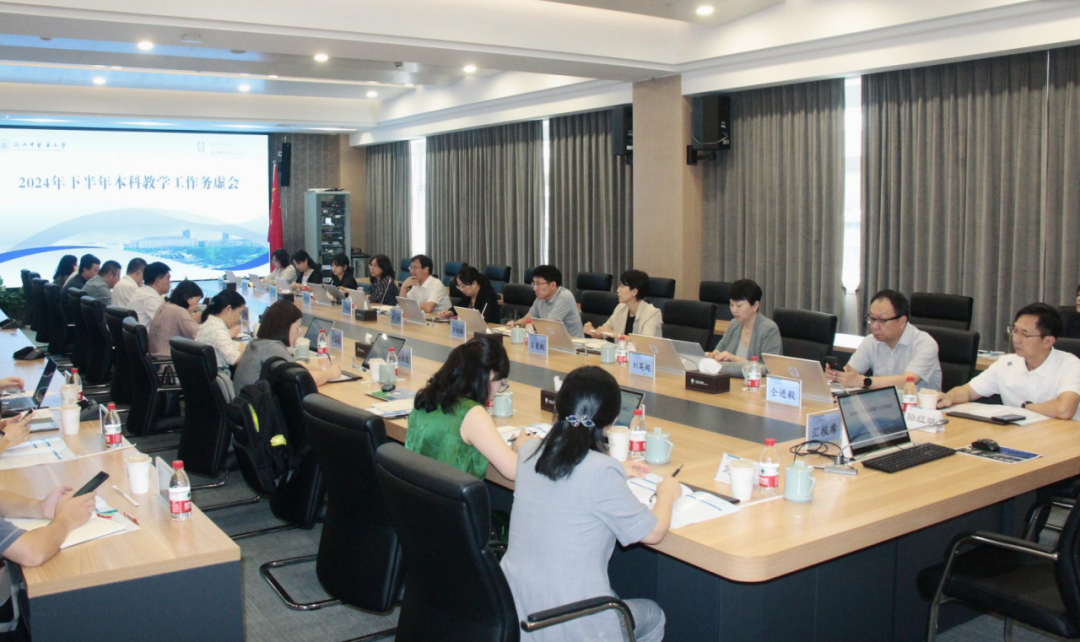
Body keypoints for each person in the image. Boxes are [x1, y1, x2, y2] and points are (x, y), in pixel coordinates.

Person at [501, 366, 676, 642]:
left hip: (513, 610)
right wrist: (667, 494)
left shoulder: (530, 452)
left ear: (558, 408)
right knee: (653, 615)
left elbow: (551, 457)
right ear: (613, 422)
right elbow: (654, 533)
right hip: (569, 622)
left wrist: (614, 467)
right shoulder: (602, 472)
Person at [406, 338, 529, 480]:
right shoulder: (472, 413)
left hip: (419, 489)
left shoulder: (426, 398)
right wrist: (524, 448)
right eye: (500, 383)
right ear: (490, 374)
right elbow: (514, 470)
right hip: (448, 491)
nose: (497, 391)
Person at [937, 303, 1080, 420]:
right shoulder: (1006, 363)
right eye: (1015, 331)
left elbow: (1064, 410)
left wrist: (1025, 407)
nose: (1016, 339)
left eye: (1024, 334)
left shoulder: (1071, 365)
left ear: (1047, 341)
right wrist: (950, 396)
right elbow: (968, 391)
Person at [825, 289, 942, 391]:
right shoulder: (871, 341)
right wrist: (837, 375)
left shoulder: (925, 344)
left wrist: (862, 381)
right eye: (872, 319)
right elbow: (850, 371)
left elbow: (907, 381)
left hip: (920, 408)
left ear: (902, 322)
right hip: (884, 405)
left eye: (882, 320)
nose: (874, 326)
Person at [232, 301, 341, 390]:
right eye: (297, 328)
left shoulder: (256, 343)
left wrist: (315, 368)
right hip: (257, 408)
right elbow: (304, 380)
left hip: (244, 405)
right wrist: (329, 374)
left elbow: (292, 366)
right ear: (286, 327)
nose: (298, 333)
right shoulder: (274, 349)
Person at [706, 278, 783, 364]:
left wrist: (735, 359)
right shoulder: (733, 324)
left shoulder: (769, 329)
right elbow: (718, 351)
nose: (734, 310)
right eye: (732, 304)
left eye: (739, 306)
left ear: (755, 306)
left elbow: (769, 368)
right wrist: (711, 356)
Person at [507, 265, 584, 338]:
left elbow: (548, 326)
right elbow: (528, 319)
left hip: (574, 344)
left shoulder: (565, 297)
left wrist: (529, 324)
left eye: (538, 284)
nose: (534, 288)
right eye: (534, 284)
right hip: (552, 342)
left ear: (553, 285)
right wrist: (516, 324)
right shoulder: (540, 298)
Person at [583, 269, 662, 339]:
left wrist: (616, 334)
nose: (618, 290)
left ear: (634, 292)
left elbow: (644, 343)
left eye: (622, 286)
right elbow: (604, 332)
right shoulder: (620, 308)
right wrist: (592, 331)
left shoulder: (652, 313)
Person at [147, 280, 203, 359]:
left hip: (156, 357)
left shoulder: (165, 305)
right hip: (168, 361)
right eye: (197, 301)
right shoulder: (179, 311)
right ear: (186, 297)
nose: (197, 306)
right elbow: (200, 336)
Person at [196, 290, 248, 374]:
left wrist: (254, 347)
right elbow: (234, 359)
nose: (239, 318)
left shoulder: (211, 323)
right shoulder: (217, 329)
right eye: (239, 313)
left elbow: (230, 345)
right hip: (221, 378)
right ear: (228, 309)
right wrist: (256, 355)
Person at [127, 262, 171, 326]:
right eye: (168, 278)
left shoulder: (143, 292)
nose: (170, 282)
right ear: (158, 281)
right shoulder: (149, 298)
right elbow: (168, 323)